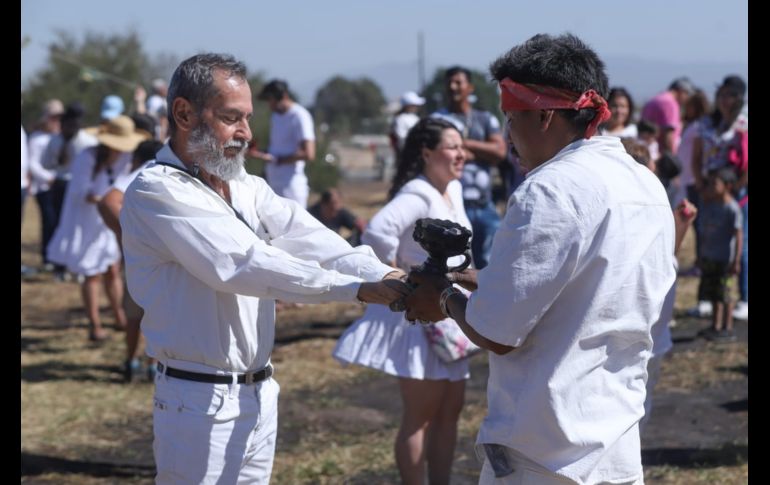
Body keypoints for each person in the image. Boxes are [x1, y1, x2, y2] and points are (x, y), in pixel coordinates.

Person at [119, 53, 408, 484]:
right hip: (198, 402)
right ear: (183, 113)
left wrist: (385, 275)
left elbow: (312, 238)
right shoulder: (156, 190)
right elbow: (242, 264)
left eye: (248, 118)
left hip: (258, 393)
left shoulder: (247, 187)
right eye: (231, 118)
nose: (246, 134)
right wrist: (357, 289)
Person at [404, 33, 676, 484]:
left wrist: (445, 296)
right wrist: (485, 279)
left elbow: (498, 333)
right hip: (615, 445)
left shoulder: (548, 189)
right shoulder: (644, 183)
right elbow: (586, 290)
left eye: (512, 118)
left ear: (545, 115)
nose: (508, 136)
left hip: (545, 455)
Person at [334, 118, 471, 485]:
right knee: (421, 416)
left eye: (462, 146)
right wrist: (400, 276)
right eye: (453, 146)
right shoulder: (419, 192)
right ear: (427, 153)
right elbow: (378, 231)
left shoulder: (451, 190)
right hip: (421, 320)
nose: (462, 153)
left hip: (448, 317)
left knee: (450, 412)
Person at [47, 115, 144, 341]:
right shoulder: (87, 157)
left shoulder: (128, 158)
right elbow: (81, 191)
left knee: (112, 269)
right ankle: (95, 324)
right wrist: (104, 200)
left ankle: (119, 315)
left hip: (108, 220)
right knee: (92, 274)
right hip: (88, 219)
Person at [98, 139, 164, 382]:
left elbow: (108, 202)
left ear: (137, 157)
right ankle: (154, 364)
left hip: (143, 259)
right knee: (159, 312)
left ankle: (131, 360)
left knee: (135, 315)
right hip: (165, 257)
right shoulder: (171, 169)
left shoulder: (142, 170)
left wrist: (130, 238)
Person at [431, 66, 507, 270]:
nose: (453, 87)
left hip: (484, 205)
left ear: (470, 87)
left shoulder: (485, 119)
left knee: (491, 263)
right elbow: (434, 155)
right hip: (452, 205)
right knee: (456, 264)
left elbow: (499, 152)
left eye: (458, 82)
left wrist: (463, 143)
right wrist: (481, 152)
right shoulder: (437, 120)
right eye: (449, 83)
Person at [253, 79, 316, 208]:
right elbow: (278, 147)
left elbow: (309, 153)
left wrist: (278, 160)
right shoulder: (276, 116)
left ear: (284, 96)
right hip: (273, 184)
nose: (270, 104)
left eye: (271, 100)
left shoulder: (299, 116)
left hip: (291, 187)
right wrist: (262, 153)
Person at [697, 167, 743, 342]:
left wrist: (736, 260)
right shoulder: (709, 204)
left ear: (728, 186)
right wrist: (701, 254)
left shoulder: (732, 209)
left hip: (726, 259)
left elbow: (738, 236)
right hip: (710, 256)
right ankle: (715, 325)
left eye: (715, 184)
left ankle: (727, 327)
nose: (711, 187)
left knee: (726, 294)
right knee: (714, 293)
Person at [641, 77, 694, 154]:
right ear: (681, 91)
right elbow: (668, 136)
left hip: (647, 153)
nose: (687, 99)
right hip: (660, 156)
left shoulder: (655, 99)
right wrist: (673, 160)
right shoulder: (670, 103)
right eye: (687, 94)